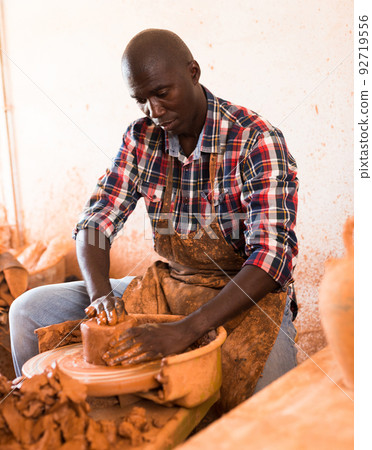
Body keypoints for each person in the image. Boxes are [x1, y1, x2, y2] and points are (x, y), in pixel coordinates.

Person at [9, 29, 298, 412]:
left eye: (162, 93)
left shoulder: (255, 140)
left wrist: (189, 329)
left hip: (245, 300)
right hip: (168, 288)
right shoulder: (141, 138)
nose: (153, 110)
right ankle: (53, 421)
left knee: (266, 407)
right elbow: (95, 223)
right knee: (27, 311)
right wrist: (101, 298)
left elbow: (271, 260)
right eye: (141, 99)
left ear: (193, 72)